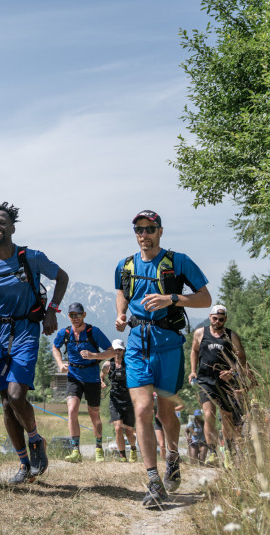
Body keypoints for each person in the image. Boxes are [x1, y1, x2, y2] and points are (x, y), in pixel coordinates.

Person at [115, 209, 211, 507]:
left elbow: (205, 299)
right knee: (143, 409)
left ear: (160, 231)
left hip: (168, 345)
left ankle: (172, 455)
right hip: (136, 346)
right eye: (139, 229)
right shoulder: (125, 265)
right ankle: (154, 482)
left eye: (149, 228)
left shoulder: (178, 261)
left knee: (166, 414)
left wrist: (171, 298)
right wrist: (120, 314)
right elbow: (121, 291)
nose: (144, 234)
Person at [0, 202, 69, 484]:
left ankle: (36, 440)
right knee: (5, 403)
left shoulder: (31, 258)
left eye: (1, 222)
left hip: (26, 329)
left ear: (12, 228)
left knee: (16, 395)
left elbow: (61, 277)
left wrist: (52, 310)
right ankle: (24, 465)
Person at [189, 304, 255, 468]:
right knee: (209, 413)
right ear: (210, 317)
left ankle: (229, 452)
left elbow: (241, 358)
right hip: (206, 380)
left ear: (225, 319)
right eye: (215, 318)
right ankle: (212, 452)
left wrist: (232, 372)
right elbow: (194, 351)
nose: (218, 321)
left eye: (221, 319)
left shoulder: (231, 336)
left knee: (227, 417)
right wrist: (192, 370)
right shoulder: (200, 333)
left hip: (226, 382)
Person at [51, 302, 113, 462]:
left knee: (94, 415)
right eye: (72, 315)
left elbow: (111, 351)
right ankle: (75, 450)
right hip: (73, 376)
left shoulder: (94, 332)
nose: (75, 318)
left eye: (78, 314)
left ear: (84, 315)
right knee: (72, 410)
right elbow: (55, 347)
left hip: (92, 378)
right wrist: (60, 364)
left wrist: (94, 356)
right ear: (68, 316)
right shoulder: (65, 333)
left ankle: (98, 448)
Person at [84, 338, 138, 462]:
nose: (117, 352)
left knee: (129, 431)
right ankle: (122, 455)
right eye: (115, 350)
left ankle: (133, 449)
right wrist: (102, 382)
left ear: (124, 351)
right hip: (115, 400)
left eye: (120, 350)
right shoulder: (107, 365)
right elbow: (101, 377)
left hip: (129, 400)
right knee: (118, 428)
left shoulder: (129, 364)